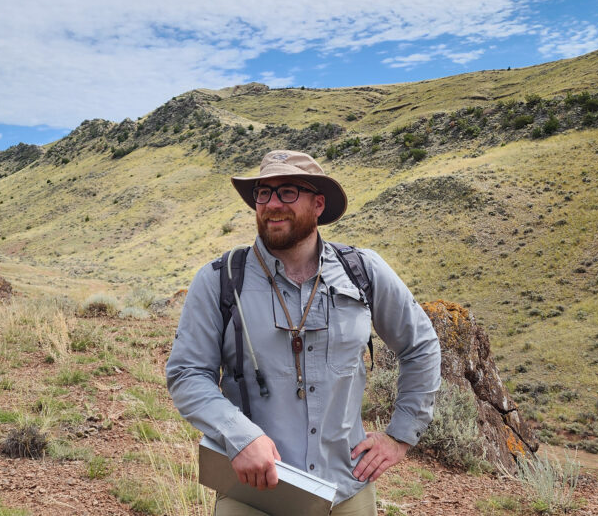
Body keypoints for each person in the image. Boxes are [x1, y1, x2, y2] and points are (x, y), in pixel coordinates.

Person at [166, 150, 441, 515]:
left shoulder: (362, 271)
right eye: (263, 193)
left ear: (318, 204)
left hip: (347, 490)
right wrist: (240, 436)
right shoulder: (220, 280)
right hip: (252, 490)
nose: (272, 204)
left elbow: (420, 346)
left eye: (287, 192)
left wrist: (400, 435)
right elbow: (187, 374)